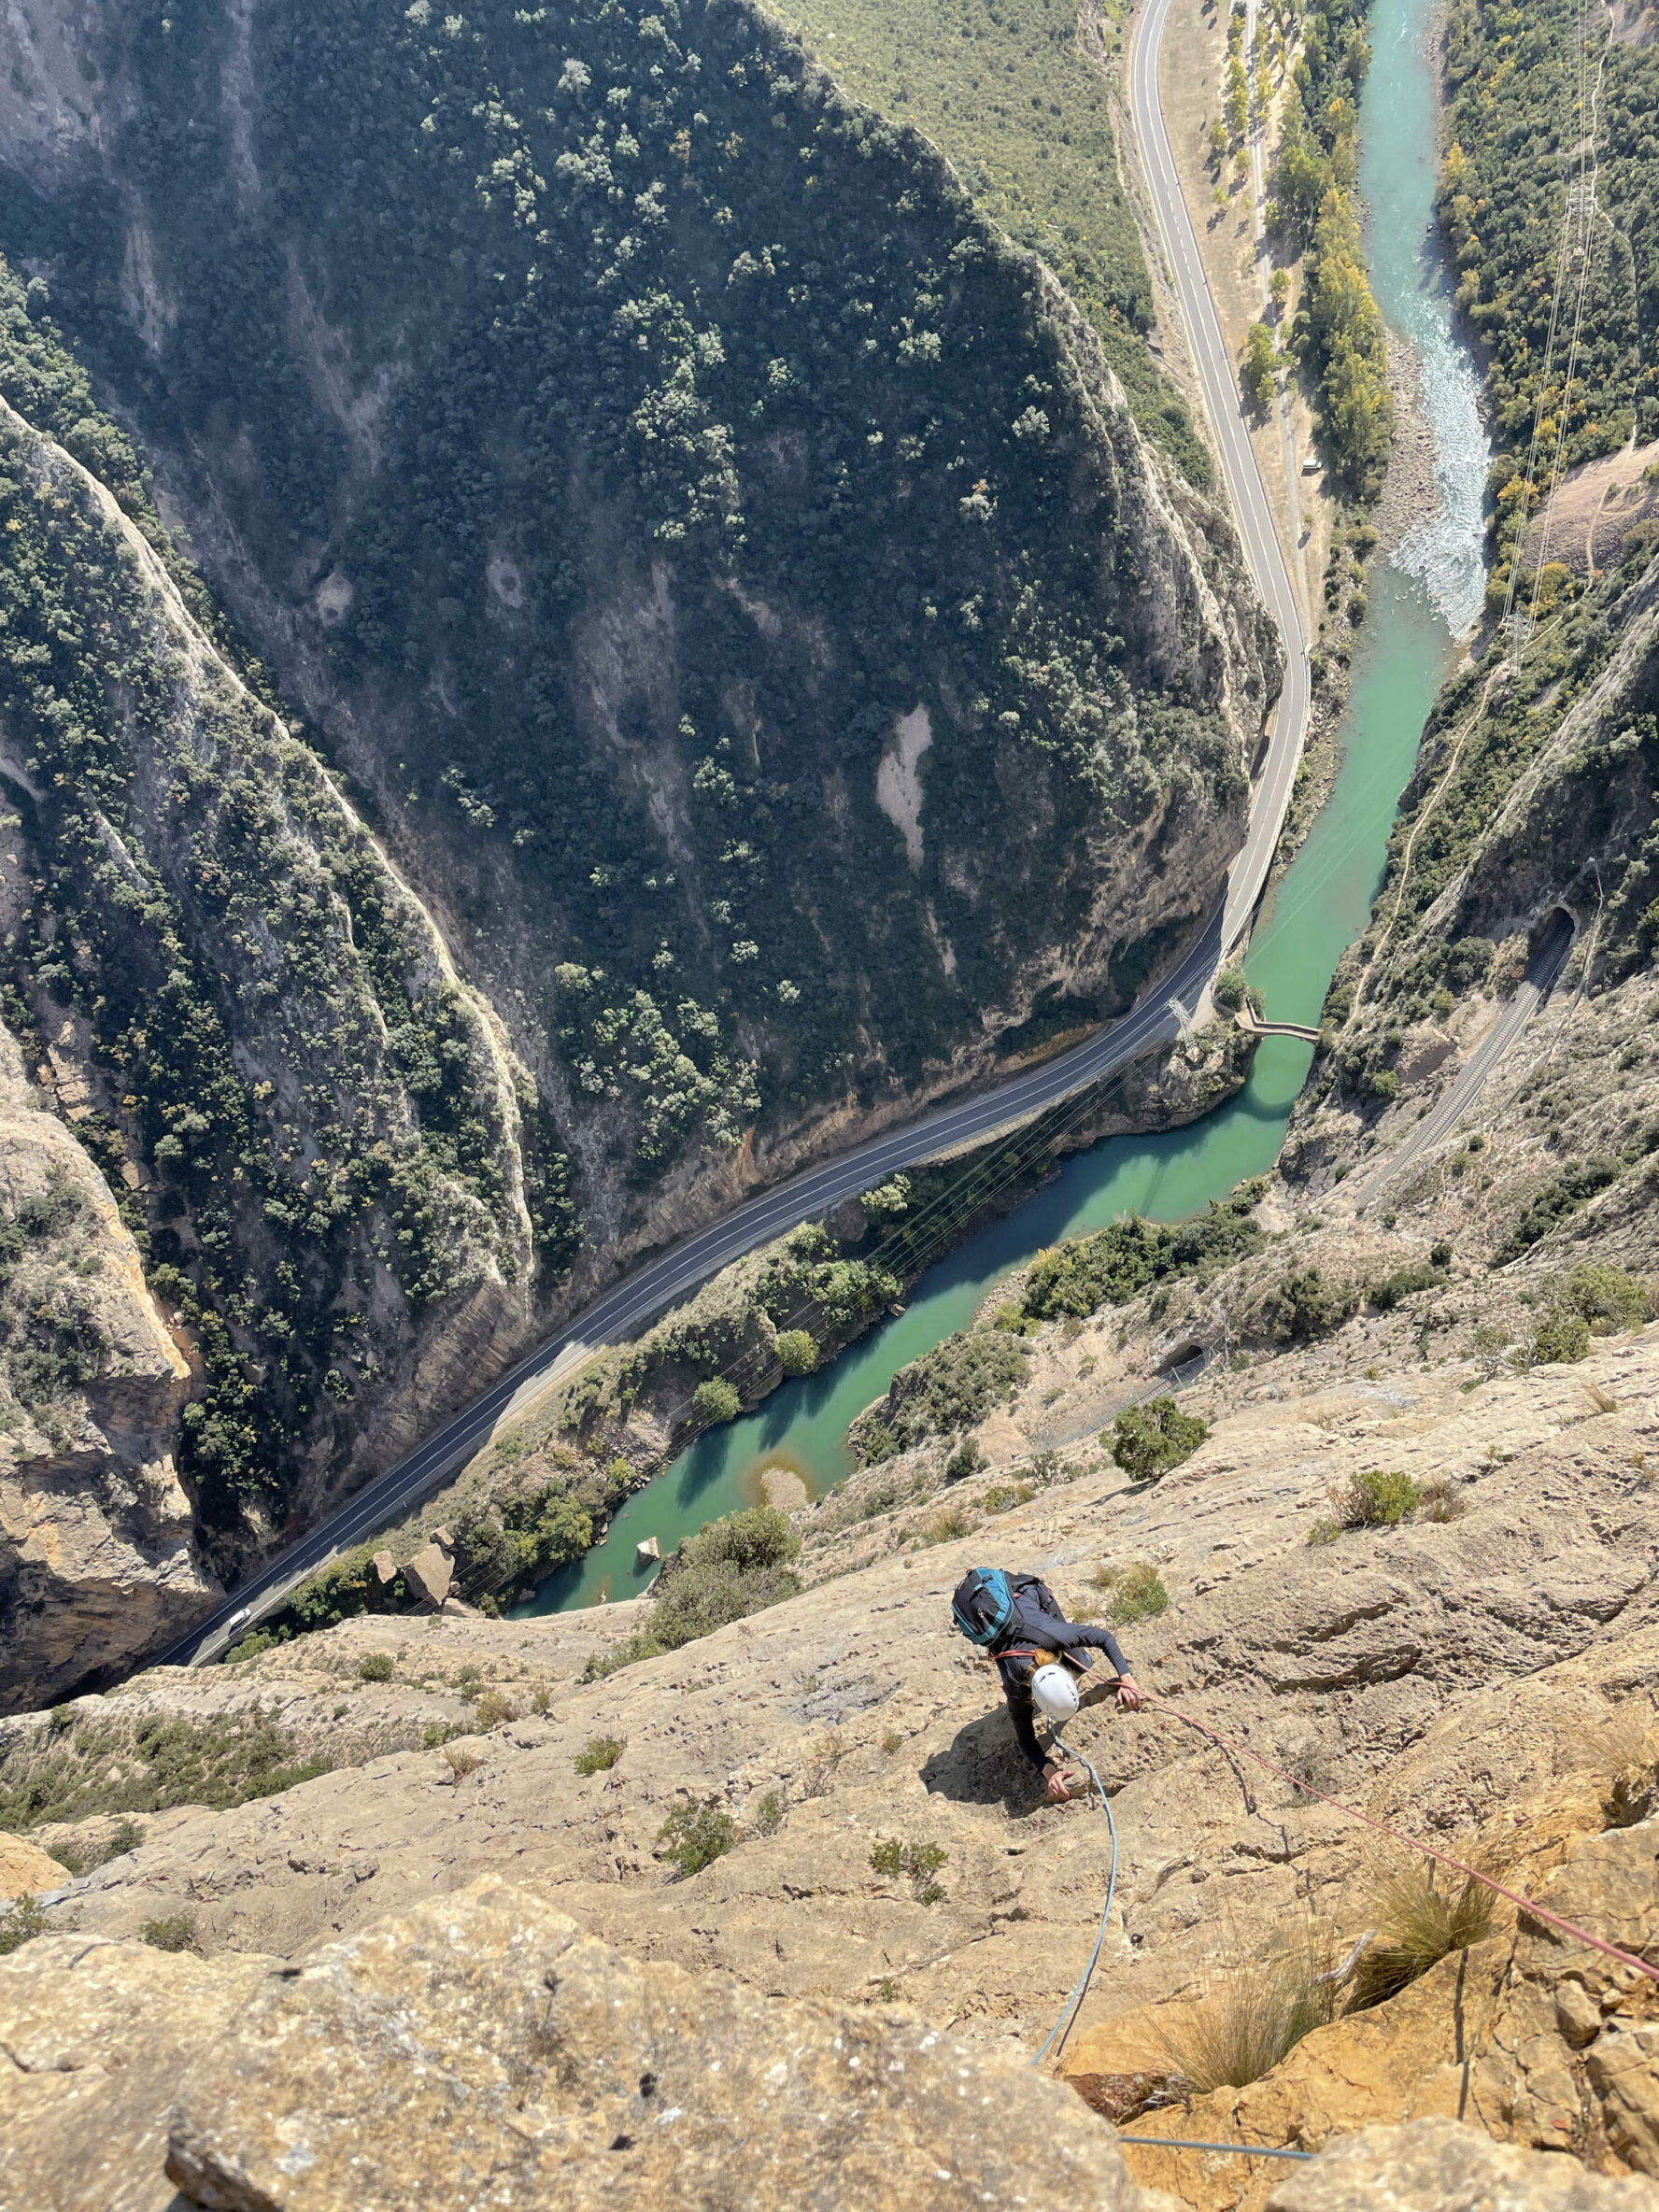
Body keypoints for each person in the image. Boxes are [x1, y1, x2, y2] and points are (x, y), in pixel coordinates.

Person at [951, 1567, 1144, 1802]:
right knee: (1078, 1663)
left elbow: (1103, 1637)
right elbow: (1025, 1738)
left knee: (1081, 1663)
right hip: (1007, 1624)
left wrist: (1127, 1678)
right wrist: (1049, 1771)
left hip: (1027, 1595)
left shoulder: (1055, 1634)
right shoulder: (1014, 1683)